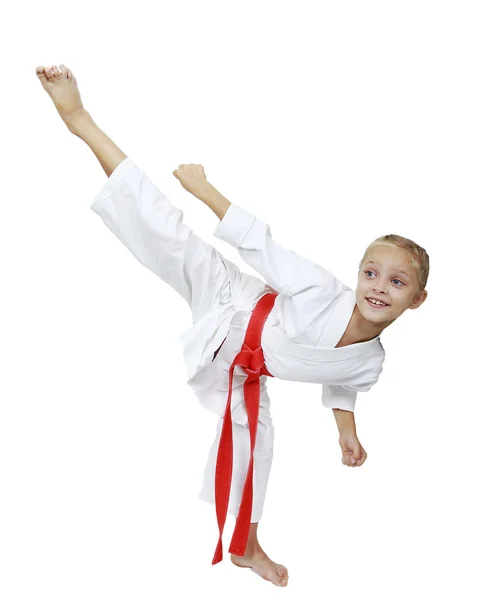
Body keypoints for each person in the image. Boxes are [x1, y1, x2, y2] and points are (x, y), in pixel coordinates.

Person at [35, 64, 429, 587]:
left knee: (256, 451)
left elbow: (341, 382)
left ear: (418, 300)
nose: (378, 286)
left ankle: (246, 547)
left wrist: (347, 435)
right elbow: (260, 243)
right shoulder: (319, 287)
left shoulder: (370, 361)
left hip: (242, 371)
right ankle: (79, 119)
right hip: (232, 301)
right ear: (357, 274)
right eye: (371, 272)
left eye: (397, 282)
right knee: (166, 231)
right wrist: (204, 188)